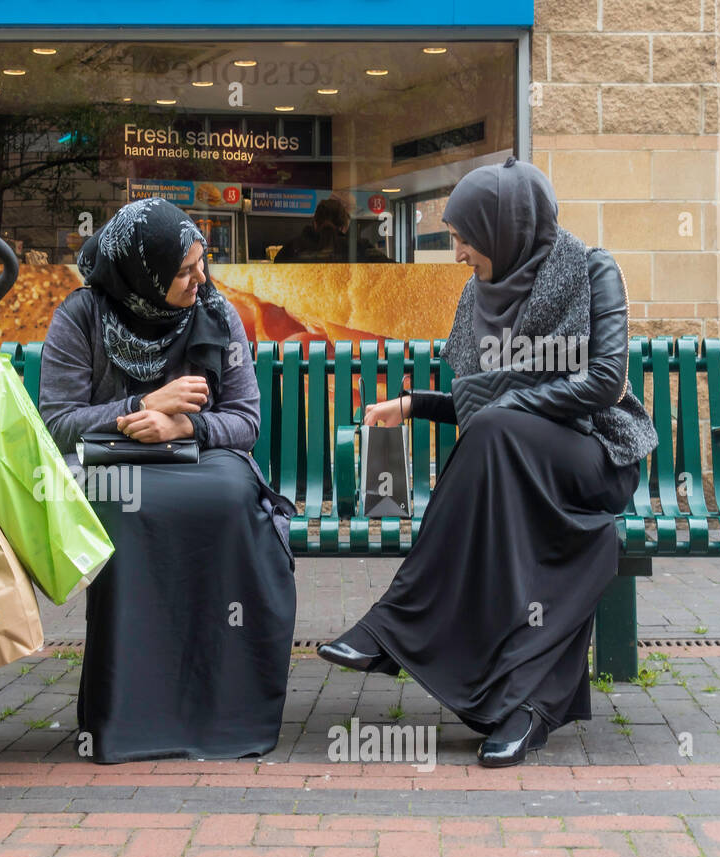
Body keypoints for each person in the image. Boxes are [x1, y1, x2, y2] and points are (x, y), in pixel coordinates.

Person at [317, 158, 657, 767]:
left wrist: (512, 401)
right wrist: (414, 404)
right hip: (517, 463)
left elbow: (604, 382)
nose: (457, 254)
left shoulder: (592, 270)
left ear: (506, 228)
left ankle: (394, 624)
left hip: (594, 453)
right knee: (518, 494)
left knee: (500, 430)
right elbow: (488, 405)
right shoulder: (479, 296)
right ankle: (522, 706)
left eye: (465, 238)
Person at [39, 197, 297, 763]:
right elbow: (57, 423)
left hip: (202, 461)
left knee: (233, 501)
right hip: (114, 470)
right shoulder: (81, 315)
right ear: (142, 272)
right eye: (183, 270)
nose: (199, 278)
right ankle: (132, 719)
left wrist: (185, 426)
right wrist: (140, 408)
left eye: (201, 262)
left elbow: (246, 422)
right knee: (129, 513)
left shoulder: (216, 313)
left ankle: (227, 712)